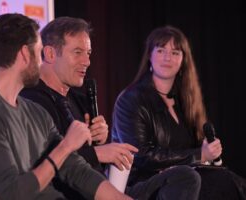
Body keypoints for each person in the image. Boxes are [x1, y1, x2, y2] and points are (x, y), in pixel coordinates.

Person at [20, 17, 202, 200]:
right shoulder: (32, 100)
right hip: (70, 193)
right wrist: (98, 153)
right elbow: (46, 161)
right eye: (77, 52)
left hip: (103, 187)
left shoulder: (78, 99)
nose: (87, 61)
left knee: (186, 177)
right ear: (50, 54)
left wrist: (99, 141)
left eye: (88, 53)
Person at [0, 13, 132, 200]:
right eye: (38, 51)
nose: (41, 62)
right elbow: (10, 194)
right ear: (25, 54)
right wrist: (65, 147)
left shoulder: (34, 112)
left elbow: (76, 170)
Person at [112, 25, 246, 199]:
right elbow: (141, 157)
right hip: (144, 184)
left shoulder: (186, 102)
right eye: (161, 50)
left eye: (175, 52)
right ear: (149, 56)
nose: (168, 57)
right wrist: (199, 154)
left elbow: (194, 153)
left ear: (183, 60)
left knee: (228, 181)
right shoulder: (131, 99)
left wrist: (208, 154)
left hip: (187, 181)